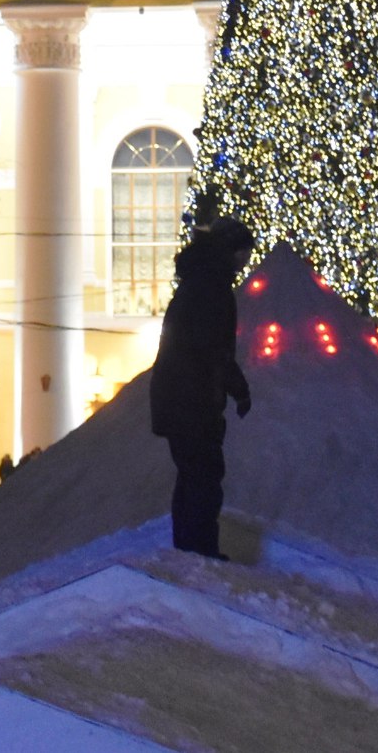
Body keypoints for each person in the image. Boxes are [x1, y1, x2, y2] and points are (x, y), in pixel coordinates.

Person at [148, 216, 255, 558]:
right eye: (243, 253)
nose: (246, 261)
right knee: (204, 476)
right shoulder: (212, 287)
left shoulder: (200, 281)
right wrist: (237, 388)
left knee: (194, 473)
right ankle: (199, 550)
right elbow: (212, 348)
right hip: (191, 399)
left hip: (179, 396)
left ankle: (189, 547)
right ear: (230, 251)